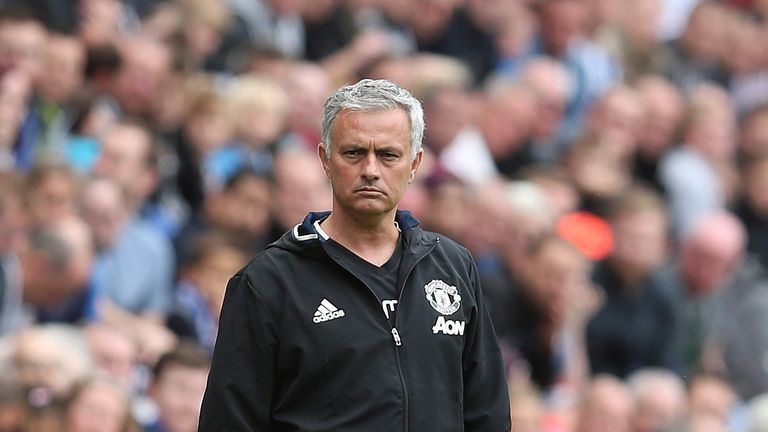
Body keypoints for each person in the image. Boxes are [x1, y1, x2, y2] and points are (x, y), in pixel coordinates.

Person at [199, 78, 510, 431]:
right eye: (354, 153)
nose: (371, 170)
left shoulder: (453, 267)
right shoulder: (268, 281)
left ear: (415, 164)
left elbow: (488, 413)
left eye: (389, 154)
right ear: (325, 160)